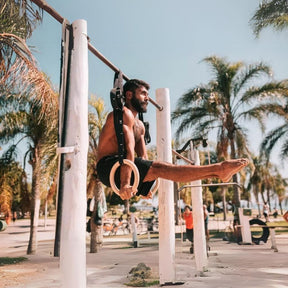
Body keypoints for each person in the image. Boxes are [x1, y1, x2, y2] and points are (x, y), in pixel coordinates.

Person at [96, 79, 249, 200]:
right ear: (129, 95)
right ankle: (219, 168)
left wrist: (144, 186)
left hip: (123, 165)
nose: (147, 98)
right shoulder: (123, 113)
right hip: (107, 167)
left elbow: (143, 158)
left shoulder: (140, 126)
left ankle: (219, 173)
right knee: (159, 168)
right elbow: (128, 151)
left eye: (147, 94)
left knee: (157, 169)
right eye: (143, 93)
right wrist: (125, 184)